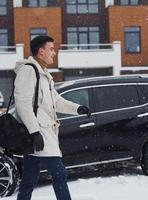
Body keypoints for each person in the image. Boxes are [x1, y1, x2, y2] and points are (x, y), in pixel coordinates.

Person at [14, 35, 90, 200]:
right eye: (51, 49)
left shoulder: (43, 73)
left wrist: (77, 108)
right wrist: (35, 132)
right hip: (39, 133)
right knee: (59, 174)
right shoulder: (28, 71)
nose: (54, 53)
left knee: (29, 179)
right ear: (41, 51)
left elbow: (56, 100)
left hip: (42, 133)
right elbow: (22, 104)